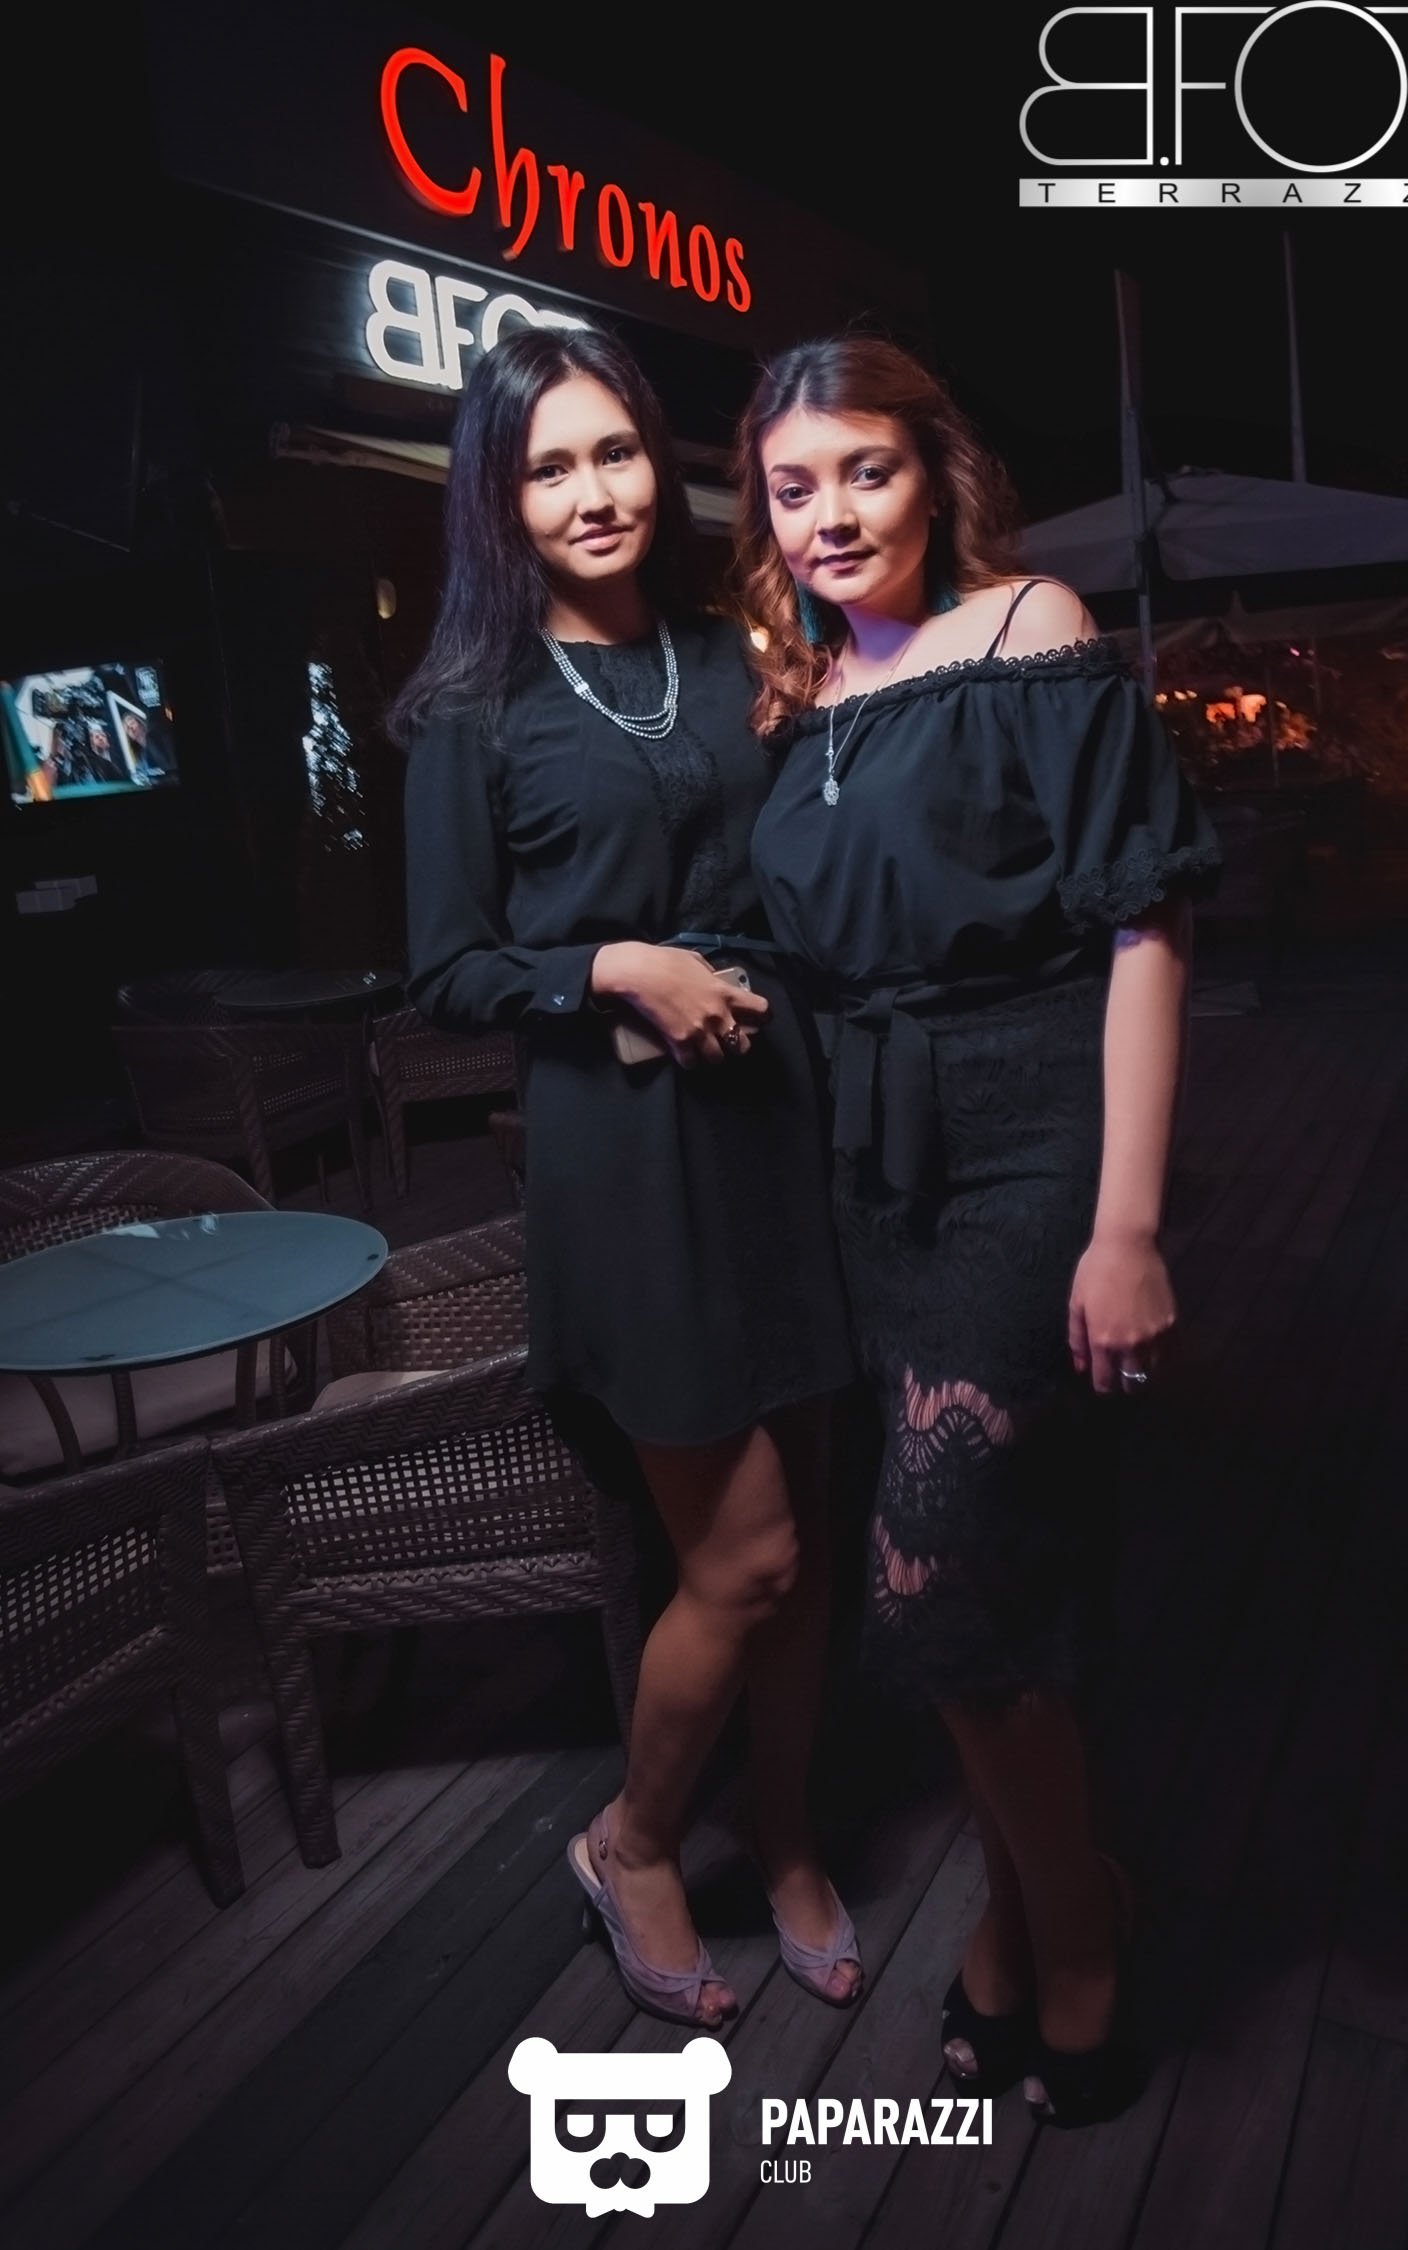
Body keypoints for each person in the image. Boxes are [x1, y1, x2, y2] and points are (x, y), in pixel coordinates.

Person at [734, 337, 1220, 2124]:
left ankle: (1076, 1935)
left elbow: (1146, 924)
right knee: (988, 1581)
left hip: (1031, 1140)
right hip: (870, 1169)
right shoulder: (793, 693)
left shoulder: (1032, 628)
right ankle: (1022, 1916)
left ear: (933, 474)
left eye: (865, 471)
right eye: (794, 487)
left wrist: (1127, 1224)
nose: (832, 515)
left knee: (930, 1566)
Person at [392, 324, 862, 2030]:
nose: (593, 492)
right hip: (628, 1165)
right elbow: (449, 970)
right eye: (549, 467)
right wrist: (613, 966)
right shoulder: (471, 712)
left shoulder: (733, 654)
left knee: (814, 1542)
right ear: (498, 499)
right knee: (743, 1556)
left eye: (614, 452)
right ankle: (637, 1837)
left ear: (659, 462)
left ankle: (789, 1833)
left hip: (778, 1130)